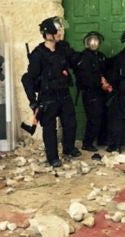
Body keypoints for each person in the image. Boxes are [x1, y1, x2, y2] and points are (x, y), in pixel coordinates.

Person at [21, 16, 81, 168]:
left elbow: (75, 60)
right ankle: (52, 157)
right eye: (57, 30)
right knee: (49, 129)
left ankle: (68, 148)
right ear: (48, 34)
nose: (60, 32)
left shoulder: (63, 48)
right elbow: (27, 79)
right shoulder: (38, 54)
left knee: (70, 123)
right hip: (48, 97)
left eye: (61, 29)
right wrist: (33, 102)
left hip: (64, 93)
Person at [73, 31, 110, 152]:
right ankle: (87, 143)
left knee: (103, 115)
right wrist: (100, 82)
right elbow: (86, 77)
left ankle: (101, 139)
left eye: (96, 41)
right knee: (94, 117)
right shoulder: (84, 57)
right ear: (87, 42)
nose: (94, 43)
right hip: (90, 92)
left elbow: (105, 71)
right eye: (91, 41)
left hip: (101, 92)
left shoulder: (101, 56)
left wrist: (106, 82)